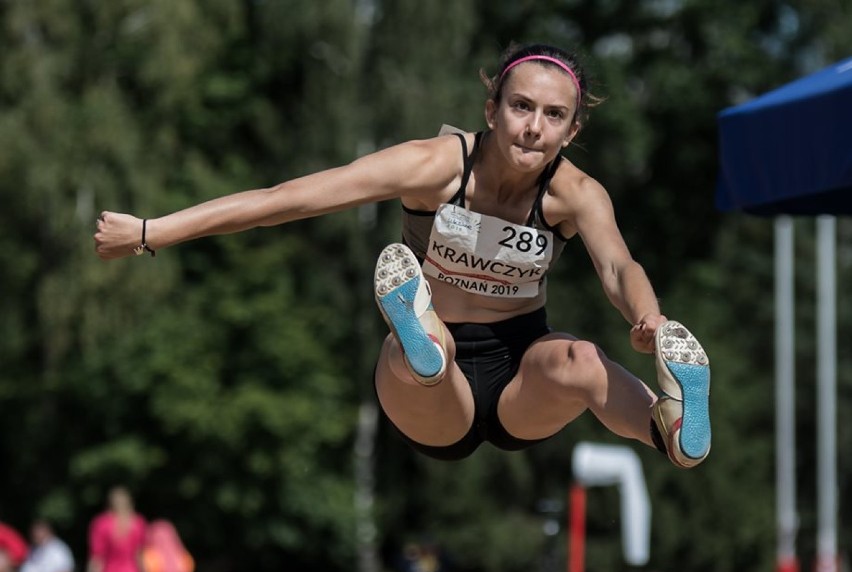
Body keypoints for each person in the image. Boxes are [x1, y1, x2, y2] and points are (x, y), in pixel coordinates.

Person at [94, 42, 710, 471]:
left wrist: (649, 320)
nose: (533, 128)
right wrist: (152, 231)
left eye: (554, 117)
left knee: (580, 360)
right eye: (521, 107)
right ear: (491, 109)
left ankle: (671, 432)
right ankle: (419, 339)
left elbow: (618, 266)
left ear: (572, 132)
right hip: (434, 397)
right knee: (423, 353)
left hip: (521, 366)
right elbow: (289, 199)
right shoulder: (434, 167)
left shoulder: (575, 193)